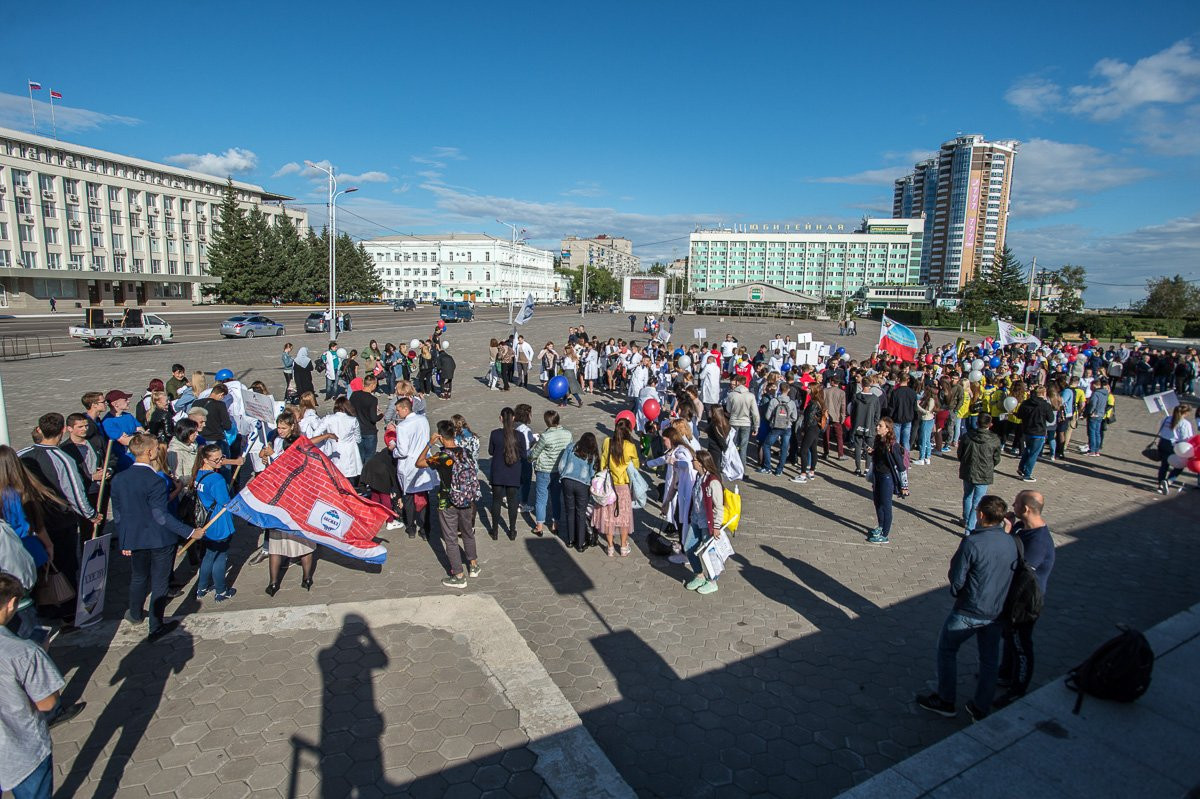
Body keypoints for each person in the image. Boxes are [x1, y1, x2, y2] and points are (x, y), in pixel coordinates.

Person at [917, 495, 1019, 721]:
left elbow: (957, 578)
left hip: (969, 609)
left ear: (981, 515)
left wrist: (959, 593)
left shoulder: (972, 543)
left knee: (946, 649)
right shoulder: (1012, 542)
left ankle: (946, 699)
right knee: (989, 660)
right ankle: (981, 707)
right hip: (996, 610)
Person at [110, 434, 203, 640]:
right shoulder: (155, 481)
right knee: (160, 581)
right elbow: (161, 516)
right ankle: (156, 625)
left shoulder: (119, 479)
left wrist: (124, 540)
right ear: (149, 452)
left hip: (135, 537)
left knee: (139, 577)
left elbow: (118, 514)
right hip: (160, 538)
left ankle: (135, 613)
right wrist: (190, 532)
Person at [0, 571, 79, 799]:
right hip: (22, 750)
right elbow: (47, 703)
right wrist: (41, 656)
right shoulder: (25, 652)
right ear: (12, 603)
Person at [995, 490, 1055, 708]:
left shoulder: (1038, 542)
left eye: (1016, 503)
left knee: (1021, 645)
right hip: (1013, 599)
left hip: (1025, 603)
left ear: (1026, 509)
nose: (1013, 505)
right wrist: (1009, 529)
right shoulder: (1022, 527)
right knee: (1009, 638)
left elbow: (1018, 570)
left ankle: (1018, 689)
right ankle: (1004, 673)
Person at [428, 420, 480, 589]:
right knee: (468, 533)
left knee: (451, 539)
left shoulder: (441, 456)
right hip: (466, 499)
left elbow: (419, 463)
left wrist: (429, 444)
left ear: (441, 437)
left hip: (447, 502)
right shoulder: (465, 452)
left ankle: (458, 576)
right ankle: (473, 565)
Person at [193, 444, 236, 602]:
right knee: (220, 557)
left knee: (209, 555)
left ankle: (201, 587)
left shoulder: (198, 474)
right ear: (205, 459)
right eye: (216, 460)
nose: (220, 462)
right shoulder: (217, 479)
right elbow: (225, 501)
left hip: (206, 521)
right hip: (219, 522)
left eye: (221, 458)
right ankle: (221, 591)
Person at [392, 397, 439, 539]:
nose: (397, 413)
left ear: (405, 409)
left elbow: (403, 451)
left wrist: (394, 450)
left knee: (408, 497)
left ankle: (411, 527)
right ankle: (425, 529)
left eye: (398, 410)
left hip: (409, 465)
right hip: (423, 461)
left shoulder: (402, 426)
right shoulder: (423, 420)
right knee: (424, 496)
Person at [593, 417, 640, 557]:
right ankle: (624, 546)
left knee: (608, 517)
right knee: (624, 517)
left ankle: (610, 547)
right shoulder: (630, 447)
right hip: (623, 485)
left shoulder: (607, 442)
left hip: (609, 485)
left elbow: (603, 463)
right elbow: (636, 466)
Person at [528, 410, 572, 537]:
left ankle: (539, 526)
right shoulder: (568, 434)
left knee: (541, 498)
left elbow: (535, 453)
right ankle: (555, 524)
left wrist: (529, 457)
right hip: (559, 470)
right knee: (556, 498)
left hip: (544, 470)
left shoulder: (545, 436)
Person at [957, 412, 1002, 537]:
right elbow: (996, 458)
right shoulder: (994, 440)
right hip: (984, 473)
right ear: (990, 424)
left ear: (977, 423)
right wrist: (990, 466)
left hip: (968, 470)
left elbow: (960, 454)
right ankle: (969, 528)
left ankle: (967, 519)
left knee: (968, 496)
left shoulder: (967, 436)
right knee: (977, 501)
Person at [866, 418, 909, 544]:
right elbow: (879, 456)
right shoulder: (879, 440)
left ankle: (885, 534)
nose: (877, 427)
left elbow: (901, 467)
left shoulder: (893, 445)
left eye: (880, 426)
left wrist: (904, 486)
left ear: (887, 429)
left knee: (886, 506)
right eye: (878, 425)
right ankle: (880, 526)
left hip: (887, 478)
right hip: (877, 476)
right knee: (877, 503)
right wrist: (872, 452)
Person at [486, 408, 527, 541]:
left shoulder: (495, 434)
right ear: (513, 418)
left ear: (501, 418)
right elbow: (524, 454)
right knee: (512, 501)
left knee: (496, 501)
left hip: (498, 471)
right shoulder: (519, 435)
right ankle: (512, 530)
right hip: (513, 472)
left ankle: (495, 531)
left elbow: (491, 451)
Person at [557, 433, 599, 552]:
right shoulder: (592, 453)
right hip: (582, 484)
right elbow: (592, 473)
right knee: (581, 513)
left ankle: (570, 540)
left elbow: (561, 465)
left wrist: (564, 476)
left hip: (567, 481)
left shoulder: (571, 447)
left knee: (570, 511)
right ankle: (580, 544)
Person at [1016, 385, 1055, 482]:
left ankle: (1021, 468)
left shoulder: (1026, 403)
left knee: (1028, 450)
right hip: (1039, 431)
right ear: (1043, 393)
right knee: (1033, 454)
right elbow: (1051, 419)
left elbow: (1019, 415)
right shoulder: (1045, 405)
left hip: (1027, 430)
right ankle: (1027, 474)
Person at [100, 389, 143, 472]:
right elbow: (125, 441)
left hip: (138, 456)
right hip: (124, 461)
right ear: (115, 404)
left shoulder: (128, 416)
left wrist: (134, 436)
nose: (128, 401)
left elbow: (142, 431)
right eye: (125, 400)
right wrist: (137, 435)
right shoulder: (108, 422)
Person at [759, 385, 797, 476]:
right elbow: (794, 417)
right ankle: (779, 470)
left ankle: (767, 467)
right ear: (788, 390)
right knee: (784, 448)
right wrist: (788, 421)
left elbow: (767, 416)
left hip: (775, 427)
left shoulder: (774, 401)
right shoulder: (791, 402)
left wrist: (773, 421)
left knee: (766, 445)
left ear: (779, 389)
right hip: (787, 427)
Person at [1155, 404, 1194, 493]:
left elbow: (1161, 430)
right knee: (1180, 465)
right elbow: (1187, 438)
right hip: (1175, 445)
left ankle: (1160, 484)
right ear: (1186, 413)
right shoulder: (1185, 423)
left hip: (1163, 442)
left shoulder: (1166, 419)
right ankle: (1168, 481)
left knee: (1164, 465)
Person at [791, 384, 825, 484]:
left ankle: (803, 475)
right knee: (813, 449)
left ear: (814, 390)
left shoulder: (813, 403)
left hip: (811, 428)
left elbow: (809, 418)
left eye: (809, 388)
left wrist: (804, 429)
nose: (807, 390)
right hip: (816, 428)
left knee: (803, 450)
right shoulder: (820, 401)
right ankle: (811, 472)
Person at [325, 397, 363, 484]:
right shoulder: (352, 420)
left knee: (335, 476)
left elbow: (317, 432)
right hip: (349, 450)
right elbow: (358, 438)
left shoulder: (328, 418)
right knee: (350, 477)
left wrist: (328, 437)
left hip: (333, 449)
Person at [724, 376, 760, 468]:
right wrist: (756, 426)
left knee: (732, 445)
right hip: (746, 423)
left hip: (733, 421)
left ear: (737, 383)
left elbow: (728, 409)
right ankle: (742, 468)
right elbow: (755, 413)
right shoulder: (751, 396)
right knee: (743, 447)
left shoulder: (731, 395)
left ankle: (731, 466)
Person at [849, 380, 882, 477]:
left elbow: (852, 412)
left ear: (861, 384)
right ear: (870, 384)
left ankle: (858, 468)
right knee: (869, 448)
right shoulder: (874, 398)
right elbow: (877, 414)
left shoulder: (856, 396)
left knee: (858, 447)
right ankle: (867, 469)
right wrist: (874, 425)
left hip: (857, 425)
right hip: (869, 426)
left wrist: (854, 424)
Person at [349, 374, 382, 463]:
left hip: (357, 430)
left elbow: (350, 411)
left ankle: (360, 471)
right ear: (373, 385)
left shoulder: (354, 395)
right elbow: (373, 418)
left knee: (360, 456)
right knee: (369, 457)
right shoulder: (372, 399)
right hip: (369, 431)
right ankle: (366, 472)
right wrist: (381, 415)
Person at [1084, 377, 1110, 456]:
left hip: (1094, 414)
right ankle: (1097, 450)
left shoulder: (1096, 393)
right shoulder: (1105, 393)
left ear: (1095, 385)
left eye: (1091, 386)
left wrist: (1090, 412)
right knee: (1097, 432)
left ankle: (1092, 450)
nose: (1091, 387)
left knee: (1092, 432)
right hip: (1101, 414)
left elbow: (1093, 404)